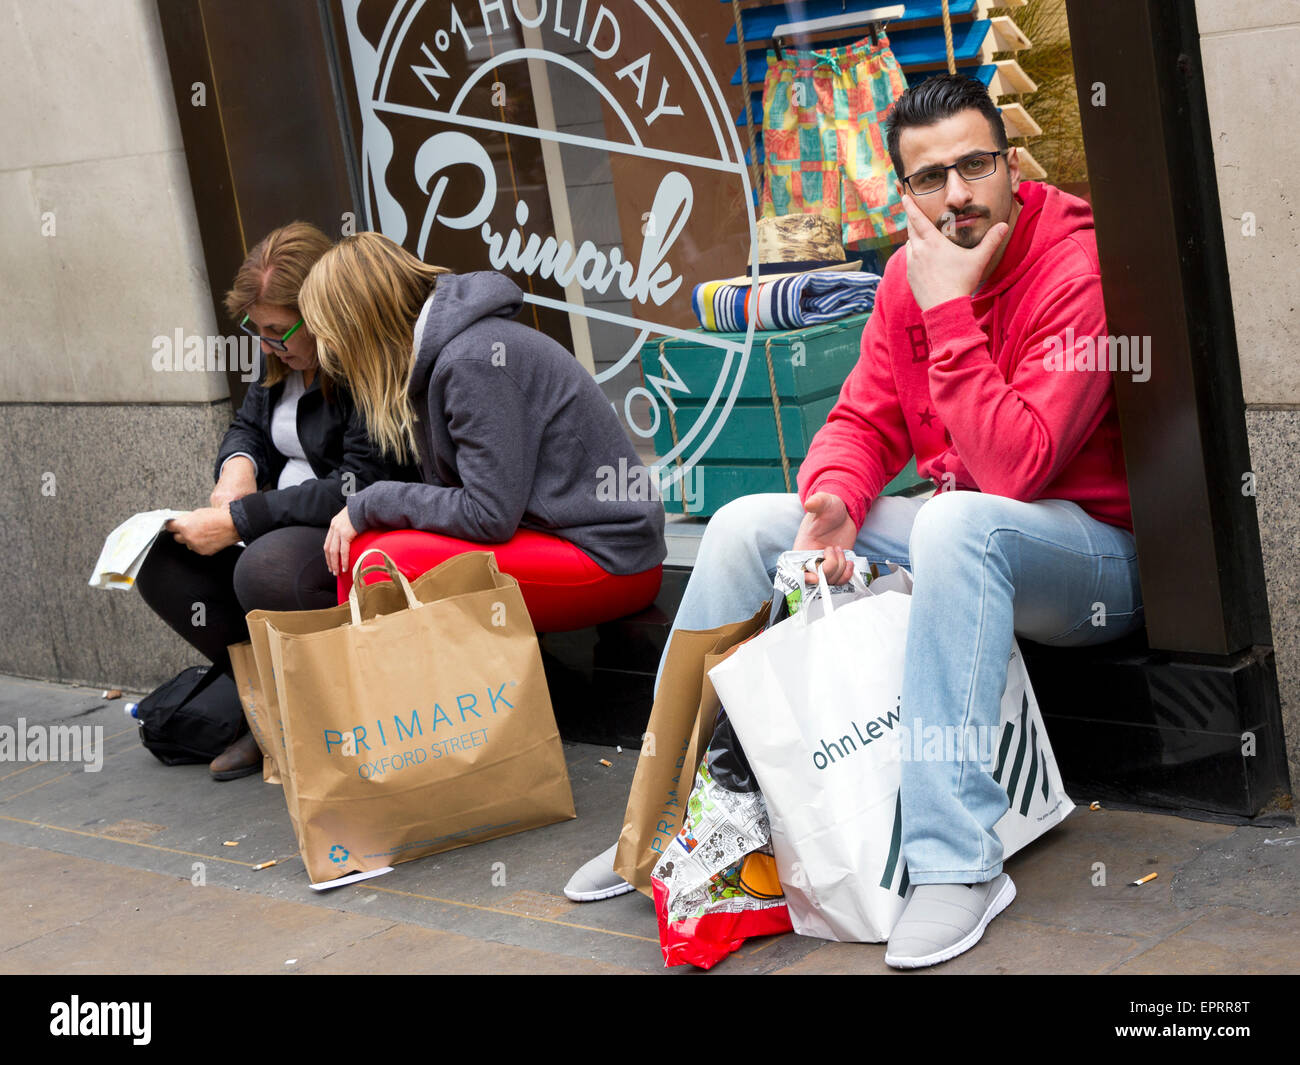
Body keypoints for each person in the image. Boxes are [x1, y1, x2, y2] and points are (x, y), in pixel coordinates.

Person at [565, 74, 1143, 968]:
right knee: (747, 524)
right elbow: (863, 419)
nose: (958, 194)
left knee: (958, 524)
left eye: (976, 165)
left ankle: (959, 863)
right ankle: (663, 822)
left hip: (1091, 558)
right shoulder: (909, 277)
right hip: (972, 527)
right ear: (904, 192)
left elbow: (1017, 466)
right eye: (931, 177)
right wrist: (835, 493)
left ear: (1012, 165)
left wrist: (951, 307)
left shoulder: (1074, 267)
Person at [135, 221, 413, 780]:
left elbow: (357, 482)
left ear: (325, 316)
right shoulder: (278, 366)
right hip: (273, 520)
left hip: (340, 530)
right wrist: (238, 468)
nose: (267, 342)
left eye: (280, 330)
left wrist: (241, 519)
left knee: (264, 569)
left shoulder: (359, 371)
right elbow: (248, 429)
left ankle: (315, 715)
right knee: (159, 560)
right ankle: (268, 709)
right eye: (255, 328)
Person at [296, 233, 666, 626]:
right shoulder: (447, 355)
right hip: (561, 541)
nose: (326, 349)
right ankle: (386, 680)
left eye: (327, 333)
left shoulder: (471, 361)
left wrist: (373, 501)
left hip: (610, 560)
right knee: (368, 549)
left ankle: (379, 682)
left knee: (379, 561)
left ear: (357, 325)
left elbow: (488, 514)